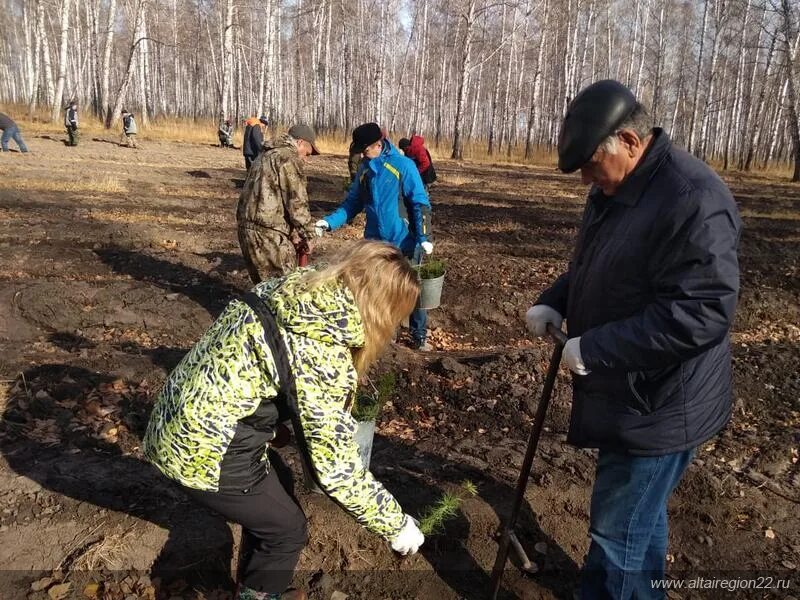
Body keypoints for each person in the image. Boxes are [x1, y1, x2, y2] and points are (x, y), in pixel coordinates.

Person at [525, 79, 741, 599]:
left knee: (618, 531)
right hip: (634, 393)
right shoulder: (615, 188)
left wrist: (596, 348)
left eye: (591, 166)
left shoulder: (692, 200)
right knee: (636, 521)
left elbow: (704, 310)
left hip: (662, 401)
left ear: (628, 140)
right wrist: (558, 297)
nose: (586, 181)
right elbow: (598, 265)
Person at [143, 240, 426, 600]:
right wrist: (397, 526)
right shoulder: (320, 351)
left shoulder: (292, 291)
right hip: (201, 449)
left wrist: (269, 426)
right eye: (396, 318)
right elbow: (336, 471)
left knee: (278, 485)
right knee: (287, 530)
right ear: (380, 310)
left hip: (173, 416)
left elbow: (246, 364)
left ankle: (254, 584)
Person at [316, 122, 433, 351]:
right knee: (380, 290)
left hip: (405, 241)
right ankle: (389, 337)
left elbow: (420, 202)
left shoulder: (402, 166)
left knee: (411, 289)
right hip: (376, 244)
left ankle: (419, 337)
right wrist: (329, 222)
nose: (362, 154)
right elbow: (352, 204)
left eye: (365, 149)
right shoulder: (365, 170)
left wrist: (424, 236)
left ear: (378, 144)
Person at [237, 123, 320, 284]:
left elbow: (273, 197)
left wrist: (293, 234)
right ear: (300, 143)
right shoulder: (288, 158)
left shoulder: (265, 155)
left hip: (246, 229)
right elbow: (296, 202)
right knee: (283, 290)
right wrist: (308, 236)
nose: (306, 160)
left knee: (263, 289)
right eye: (307, 154)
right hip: (268, 235)